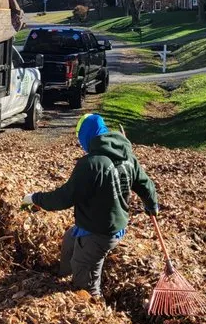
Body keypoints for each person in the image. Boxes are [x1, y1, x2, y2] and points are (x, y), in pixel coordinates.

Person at [23, 113, 158, 297]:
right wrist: (152, 204)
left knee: (84, 271)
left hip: (100, 231)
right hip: (109, 223)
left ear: (86, 136)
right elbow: (146, 185)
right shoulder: (127, 157)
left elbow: (64, 197)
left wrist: (35, 198)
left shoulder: (92, 164)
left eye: (80, 139)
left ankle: (92, 300)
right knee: (70, 239)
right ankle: (61, 277)